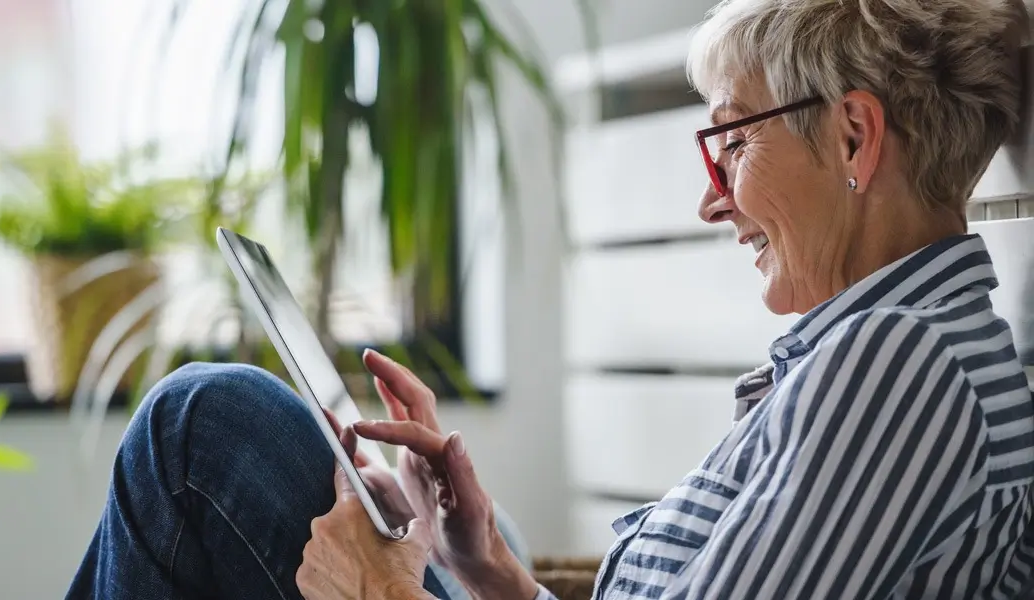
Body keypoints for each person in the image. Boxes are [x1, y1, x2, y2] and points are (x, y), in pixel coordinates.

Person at [67, 0, 1034, 597]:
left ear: (857, 140)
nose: (710, 197)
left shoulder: (902, 366)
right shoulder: (884, 352)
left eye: (732, 141)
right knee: (223, 427)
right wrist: (487, 568)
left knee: (199, 425)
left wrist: (382, 592)